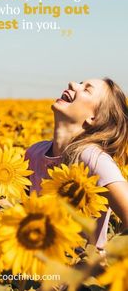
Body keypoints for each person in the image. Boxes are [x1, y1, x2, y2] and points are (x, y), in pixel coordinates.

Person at [26, 78, 128, 249]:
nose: (72, 84)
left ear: (94, 118)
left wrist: (109, 258)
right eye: (80, 83)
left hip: (80, 271)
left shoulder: (93, 159)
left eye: (87, 90)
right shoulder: (34, 153)